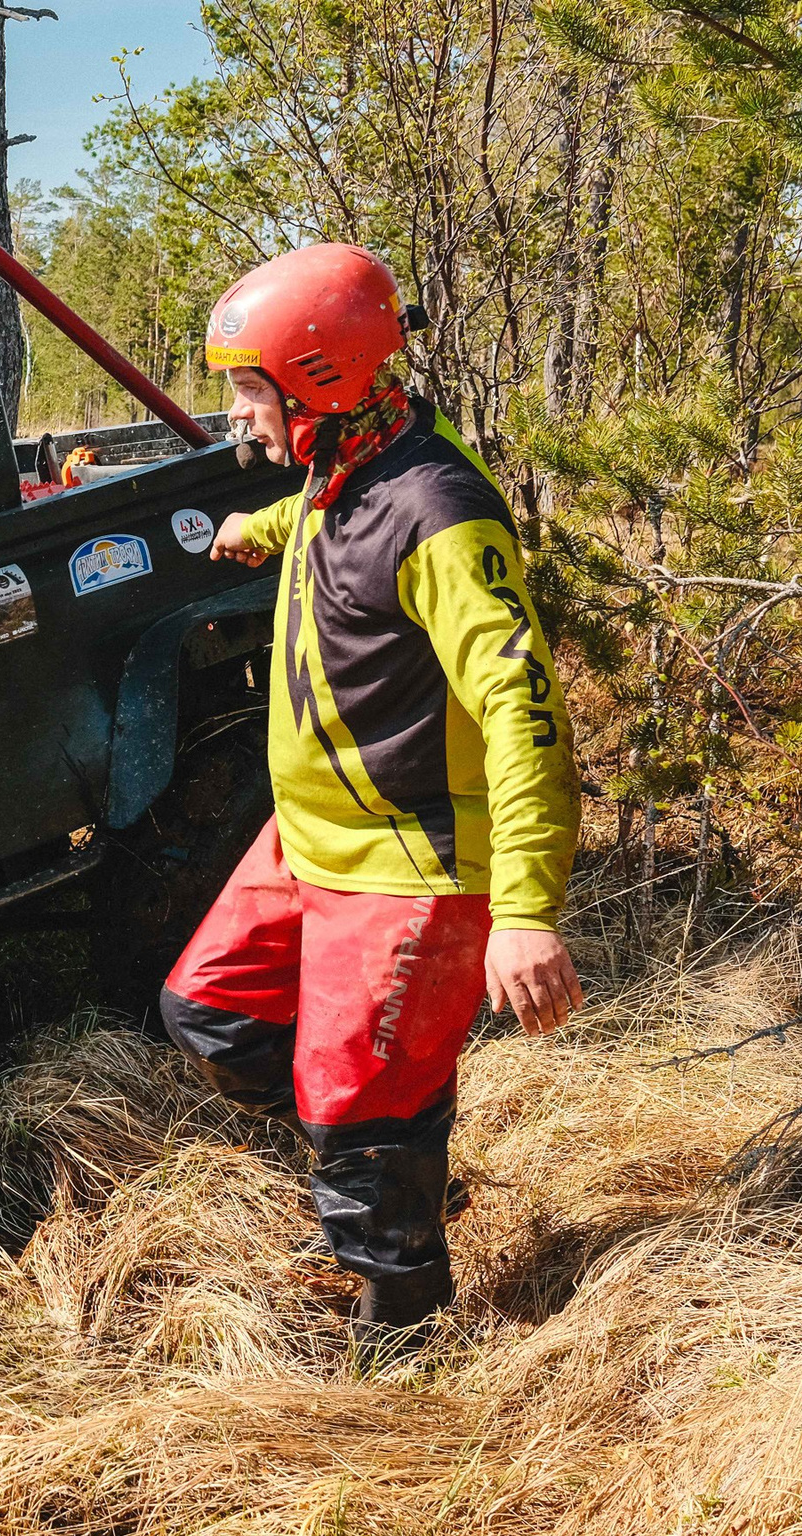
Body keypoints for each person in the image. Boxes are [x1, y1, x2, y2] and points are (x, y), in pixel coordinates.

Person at [165, 243, 584, 1367]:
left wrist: (528, 913)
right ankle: (392, 1159)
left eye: (253, 392)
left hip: (411, 864)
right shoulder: (340, 469)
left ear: (325, 381)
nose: (239, 420)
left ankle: (404, 1358)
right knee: (209, 1017)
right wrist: (263, 529)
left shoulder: (440, 509)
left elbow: (525, 715)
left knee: (356, 1120)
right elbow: (336, 530)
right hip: (307, 843)